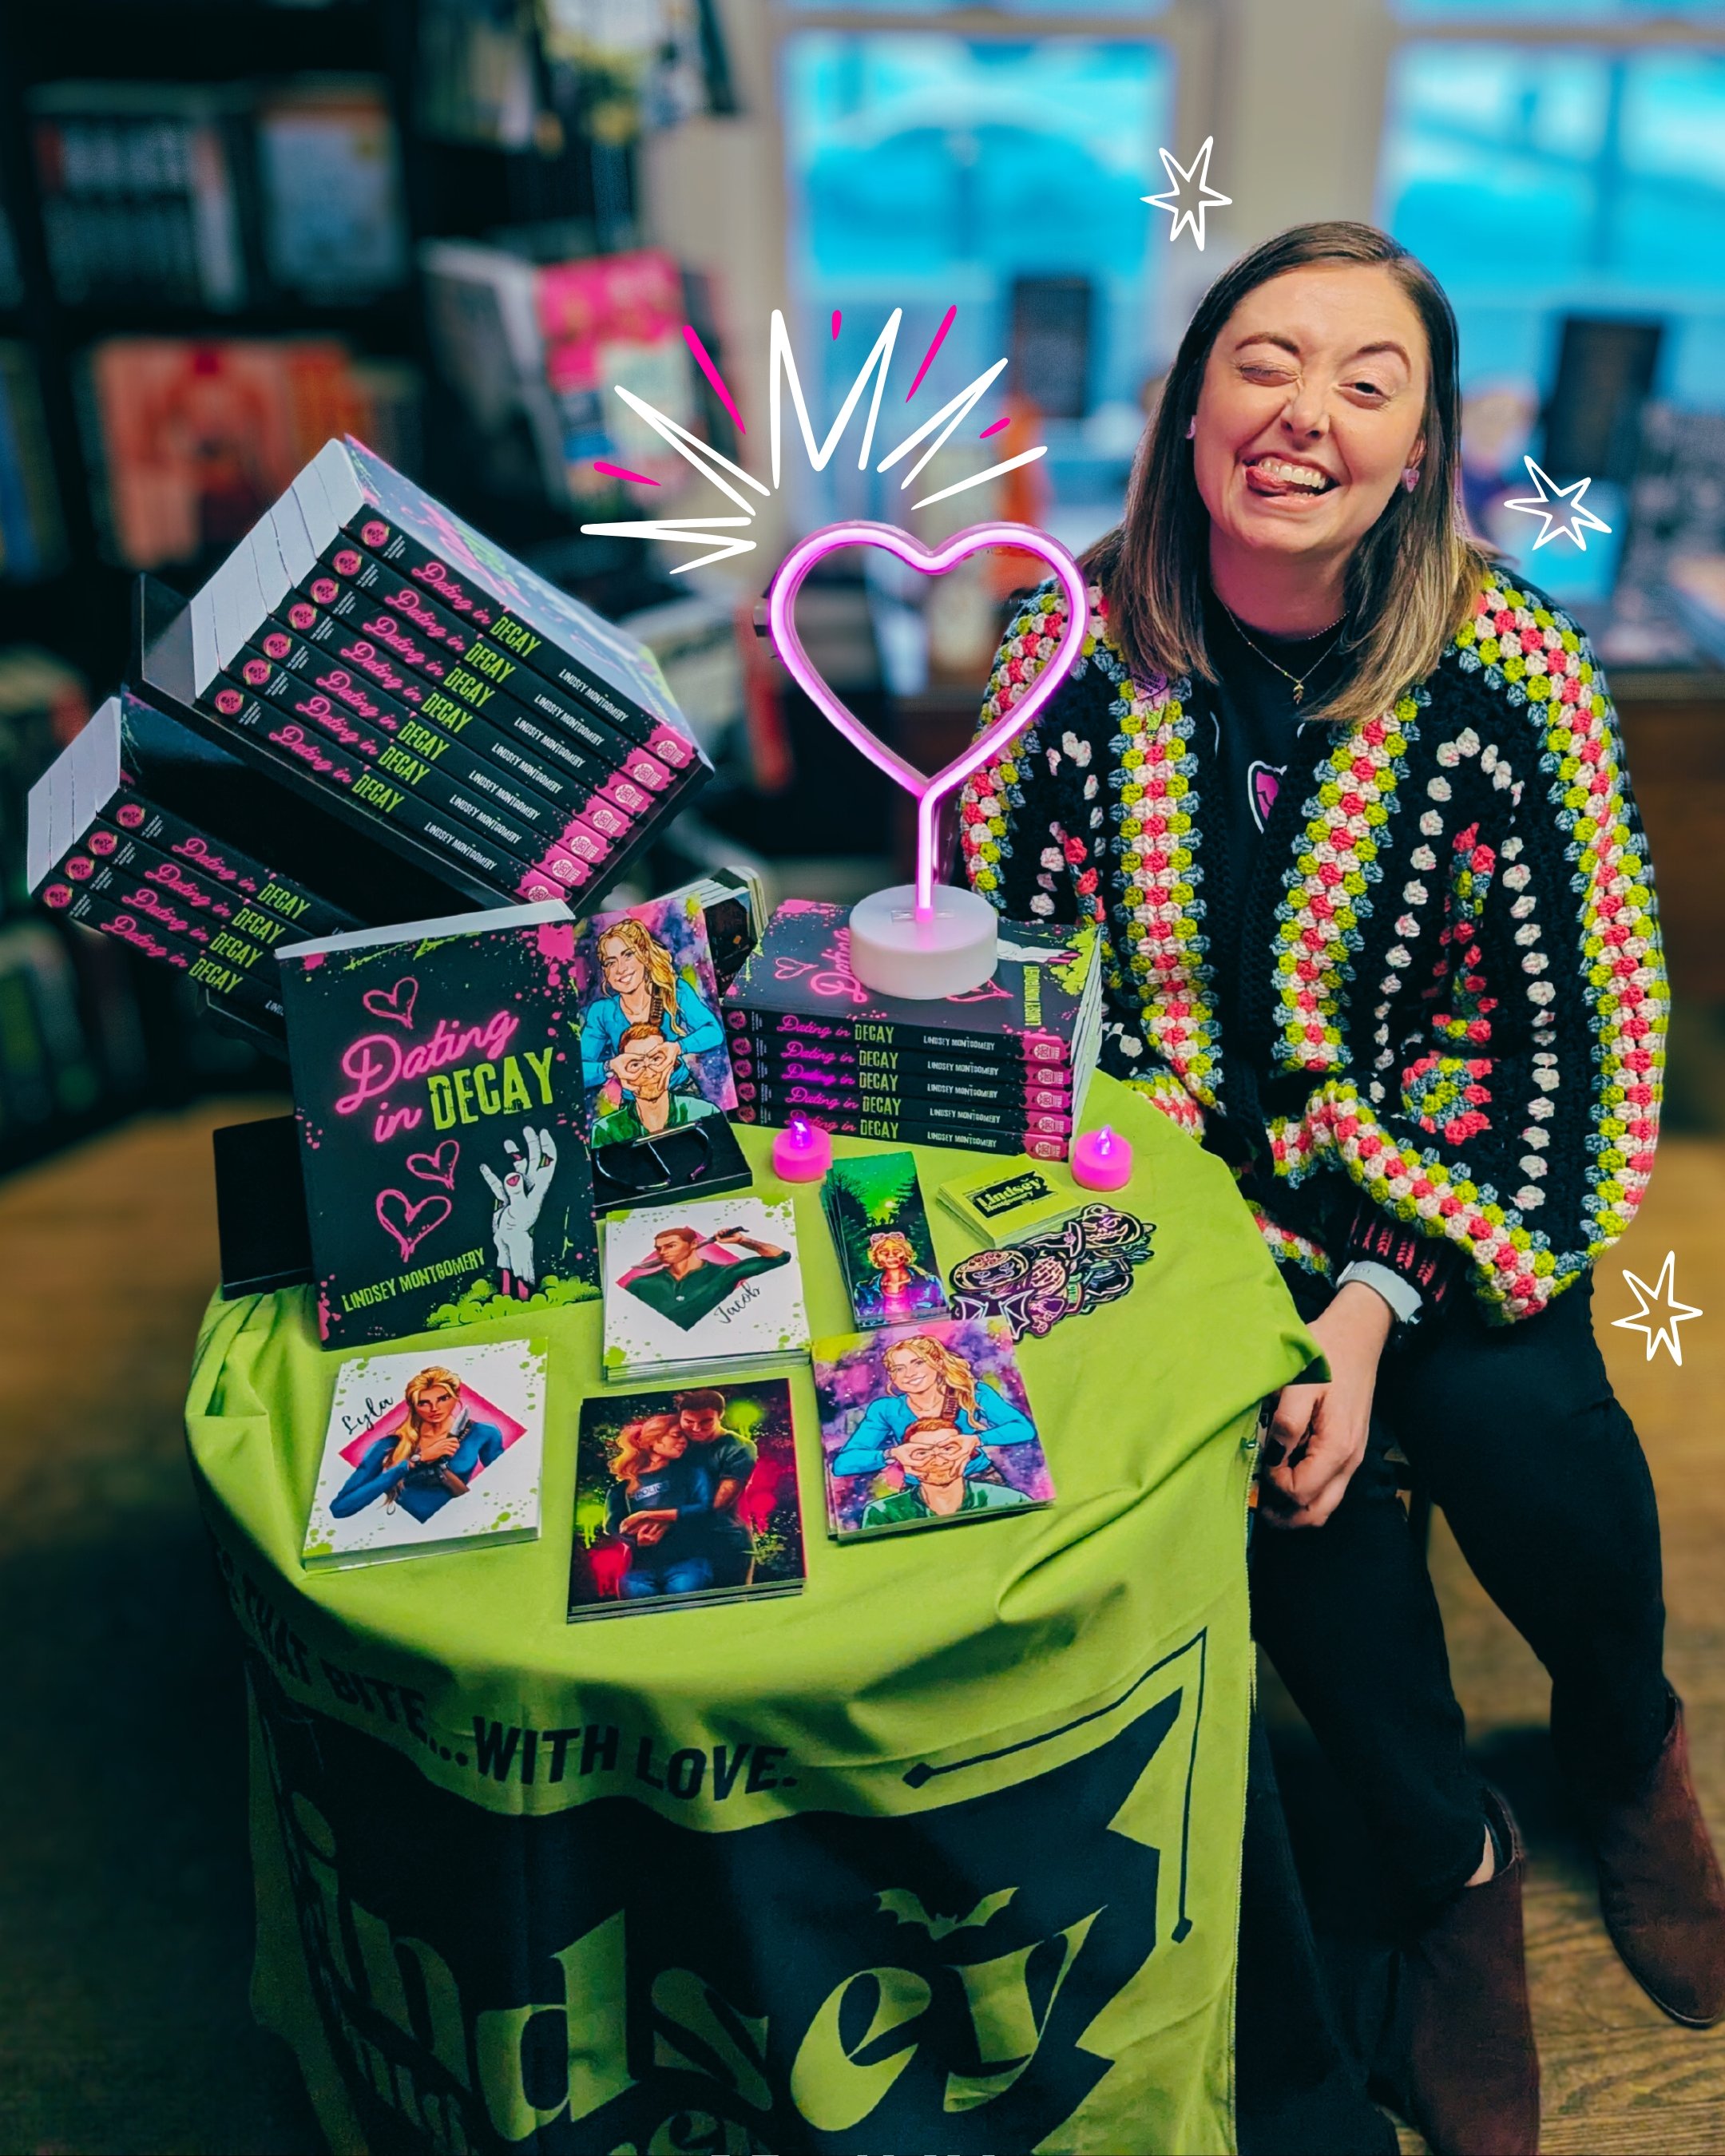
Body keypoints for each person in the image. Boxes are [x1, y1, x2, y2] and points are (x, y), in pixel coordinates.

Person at [958, 217, 1725, 2156]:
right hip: (1171, 1193)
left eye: (1364, 380)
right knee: (1273, 1460)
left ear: (1415, 448)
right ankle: (1443, 1863)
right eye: (1262, 359)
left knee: (1523, 1404)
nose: (1304, 411)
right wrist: (1235, 1282)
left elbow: (1575, 1037)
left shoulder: (1507, 672)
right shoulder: (1059, 652)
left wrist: (1373, 1292)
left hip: (1440, 1178)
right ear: (1190, 403)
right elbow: (1023, 1006)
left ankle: (1624, 1745)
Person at [830, 1334, 1037, 1479]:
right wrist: (892, 1454)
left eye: (918, 1363)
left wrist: (975, 1440)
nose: (909, 1373)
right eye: (899, 1369)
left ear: (937, 1363)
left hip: (978, 1478)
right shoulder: (886, 1409)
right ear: (892, 1377)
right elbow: (843, 1464)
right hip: (920, 1488)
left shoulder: (971, 1391)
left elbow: (1023, 1429)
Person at [330, 1367, 504, 1524]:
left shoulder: (483, 1433)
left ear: (456, 1396)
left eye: (443, 1398)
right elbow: (340, 1508)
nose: (434, 1408)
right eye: (423, 1403)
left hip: (467, 1522)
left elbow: (504, 1484)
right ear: (413, 1406)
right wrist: (414, 1461)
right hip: (403, 1530)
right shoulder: (389, 1445)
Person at [579, 915, 724, 1095]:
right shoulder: (602, 1012)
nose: (620, 969)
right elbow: (579, 1071)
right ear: (605, 972)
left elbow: (714, 1032)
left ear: (645, 955)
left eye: (628, 955)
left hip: (679, 1091)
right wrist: (610, 1066)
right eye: (610, 962)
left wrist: (677, 1048)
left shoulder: (673, 990)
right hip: (634, 1102)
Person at [602, 1413, 723, 1598]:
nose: (683, 1441)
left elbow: (705, 1509)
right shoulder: (621, 1489)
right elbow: (612, 1525)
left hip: (687, 1563)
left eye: (685, 1437)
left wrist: (647, 1515)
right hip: (638, 1572)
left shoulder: (692, 1473)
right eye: (676, 1435)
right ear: (653, 1440)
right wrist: (636, 1540)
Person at [859, 1417, 1033, 1530]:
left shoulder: (1010, 1501)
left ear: (968, 1456)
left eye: (948, 1449)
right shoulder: (884, 1513)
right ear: (906, 1462)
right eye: (922, 1453)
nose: (938, 1460)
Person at [617, 1222, 791, 1333]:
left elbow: (780, 1257)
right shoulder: (640, 1284)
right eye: (659, 1248)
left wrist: (742, 1241)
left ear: (693, 1245)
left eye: (670, 1246)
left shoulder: (724, 1274)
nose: (663, 1252)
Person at [674, 1389, 757, 1587]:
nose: (696, 1428)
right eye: (688, 1421)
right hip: (678, 1548)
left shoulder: (739, 1448)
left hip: (727, 1544)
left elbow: (718, 1504)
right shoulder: (676, 1442)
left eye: (705, 1422)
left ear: (720, 1415)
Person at [591, 1024, 720, 1147]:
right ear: (623, 1074)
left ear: (672, 1066)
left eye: (656, 1059)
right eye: (635, 1064)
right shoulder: (607, 1130)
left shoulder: (704, 1112)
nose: (649, 1072)